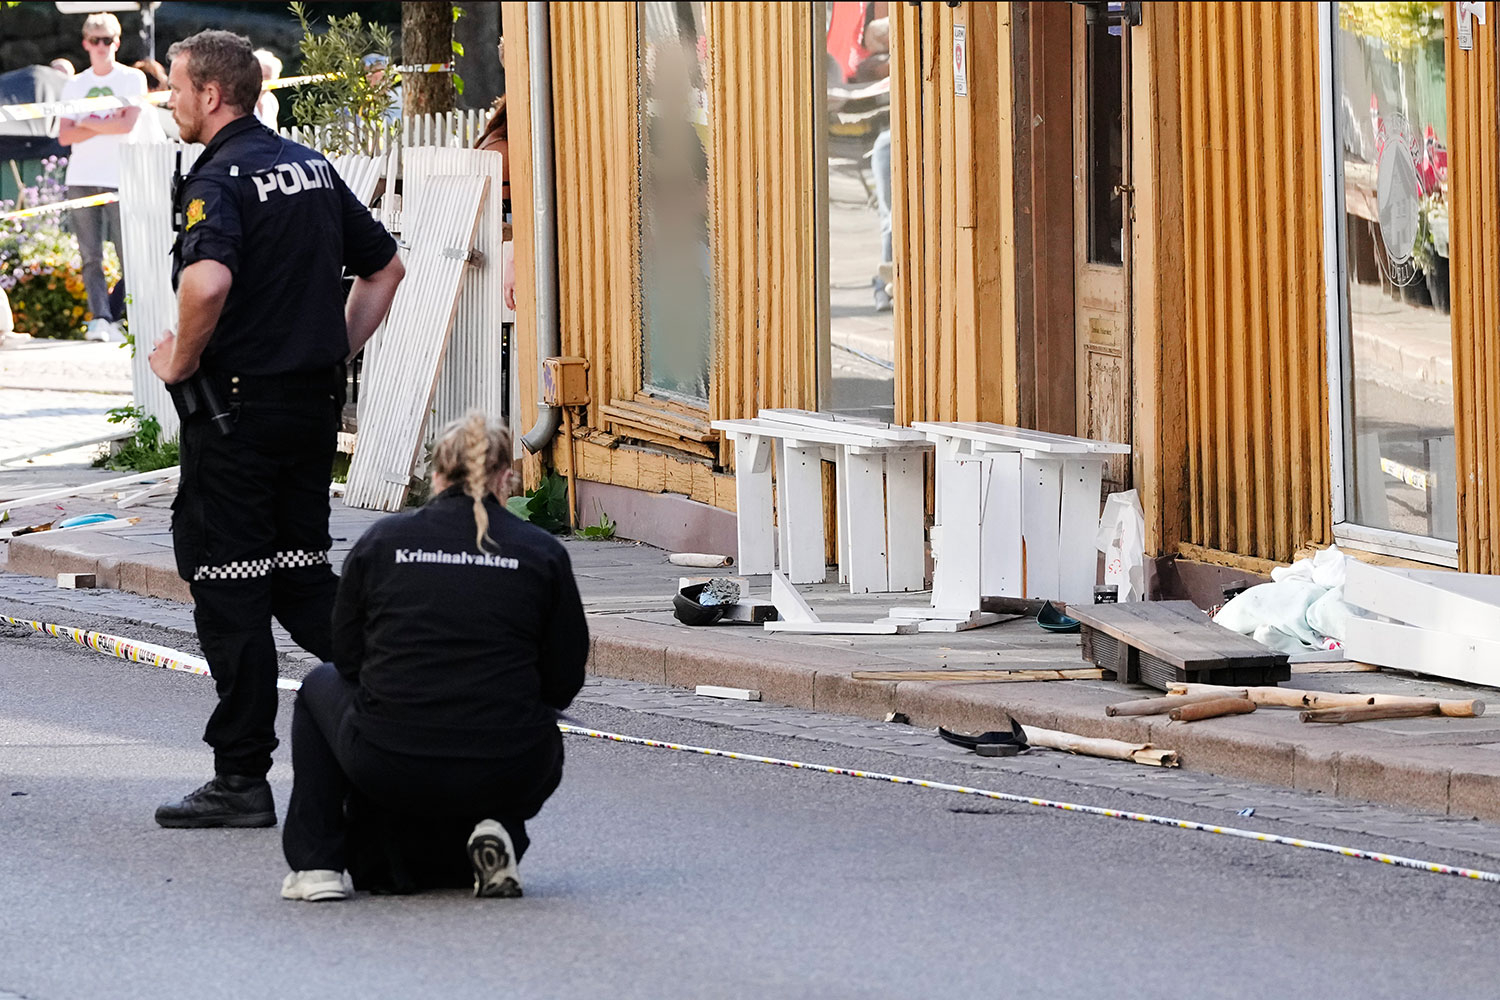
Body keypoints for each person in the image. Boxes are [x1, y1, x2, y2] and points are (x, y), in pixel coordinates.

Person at [147, 29, 405, 831]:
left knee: (228, 585)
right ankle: (407, 695)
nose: (172, 101)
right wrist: (331, 350)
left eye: (178, 89)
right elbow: (386, 267)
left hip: (237, 411)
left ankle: (240, 778)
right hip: (309, 406)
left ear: (213, 95)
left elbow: (209, 279)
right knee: (297, 573)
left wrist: (178, 361)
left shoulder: (218, 178)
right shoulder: (310, 167)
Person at [280, 412, 588, 902]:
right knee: (527, 718)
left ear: (436, 476)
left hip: (389, 760)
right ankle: (498, 825)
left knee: (320, 683)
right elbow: (565, 677)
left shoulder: (383, 541)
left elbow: (347, 655)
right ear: (507, 476)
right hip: (512, 764)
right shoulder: (541, 552)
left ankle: (317, 865)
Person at [57, 13, 148, 343]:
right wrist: (105, 121)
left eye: (107, 40)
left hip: (120, 177)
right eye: (95, 41)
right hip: (81, 175)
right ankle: (101, 318)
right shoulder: (74, 84)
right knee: (90, 255)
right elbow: (64, 136)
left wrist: (87, 122)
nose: (101, 47)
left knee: (129, 254)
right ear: (85, 43)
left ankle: (133, 314)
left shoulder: (132, 79)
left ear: (117, 42)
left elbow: (127, 126)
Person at [252, 48, 281, 130]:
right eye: (261, 75)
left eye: (268, 76)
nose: (263, 80)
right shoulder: (238, 102)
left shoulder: (271, 100)